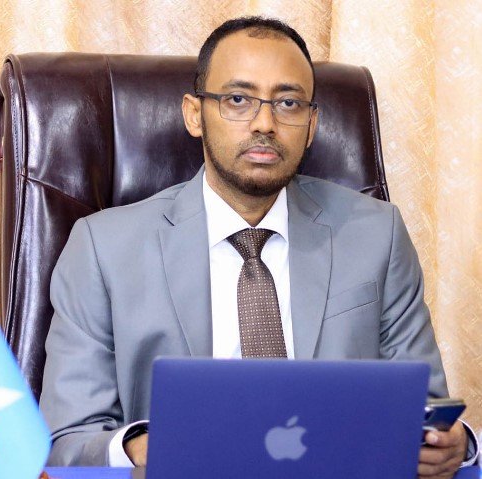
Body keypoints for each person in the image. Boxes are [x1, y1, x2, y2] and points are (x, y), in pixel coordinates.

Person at [40, 16, 478, 477]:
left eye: (288, 103)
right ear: (194, 114)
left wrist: (454, 445)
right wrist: (135, 447)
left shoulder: (376, 235)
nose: (265, 123)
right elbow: (67, 440)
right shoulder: (103, 249)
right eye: (238, 99)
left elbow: (426, 410)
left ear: (311, 124)